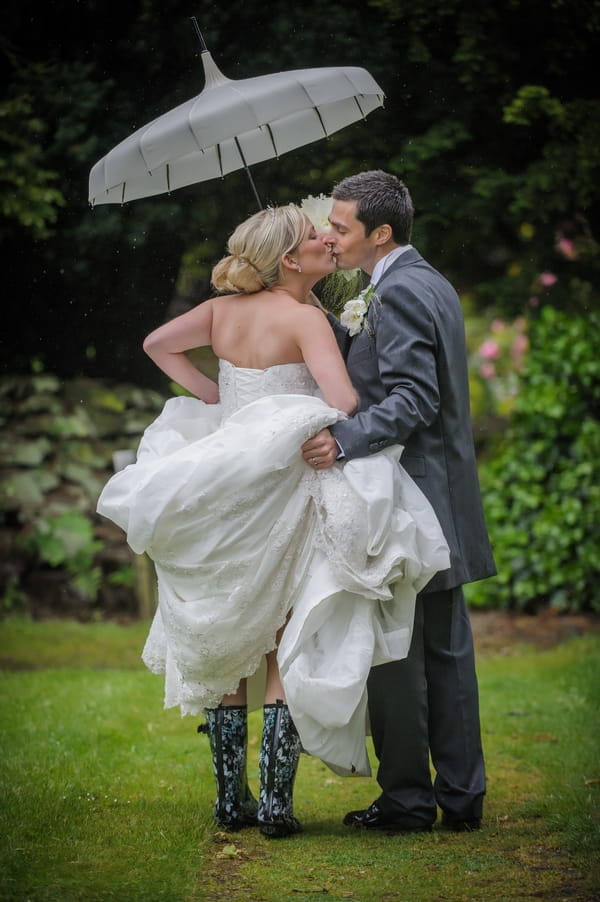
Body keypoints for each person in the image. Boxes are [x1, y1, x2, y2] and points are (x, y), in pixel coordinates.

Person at [97, 204, 450, 839]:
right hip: (286, 488)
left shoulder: (220, 312)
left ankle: (231, 799)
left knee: (234, 637)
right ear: (290, 260)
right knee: (282, 631)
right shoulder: (304, 317)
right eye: (315, 238)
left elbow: (156, 345)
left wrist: (216, 397)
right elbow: (342, 402)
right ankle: (277, 808)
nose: (326, 242)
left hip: (225, 485)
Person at [302, 170, 496, 834]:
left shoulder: (401, 292)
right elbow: (383, 366)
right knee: (445, 656)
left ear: (379, 233)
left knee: (394, 658)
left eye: (341, 226)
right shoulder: (424, 282)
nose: (330, 234)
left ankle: (410, 802)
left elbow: (415, 397)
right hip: (442, 500)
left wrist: (343, 441)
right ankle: (463, 799)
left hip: (409, 505)